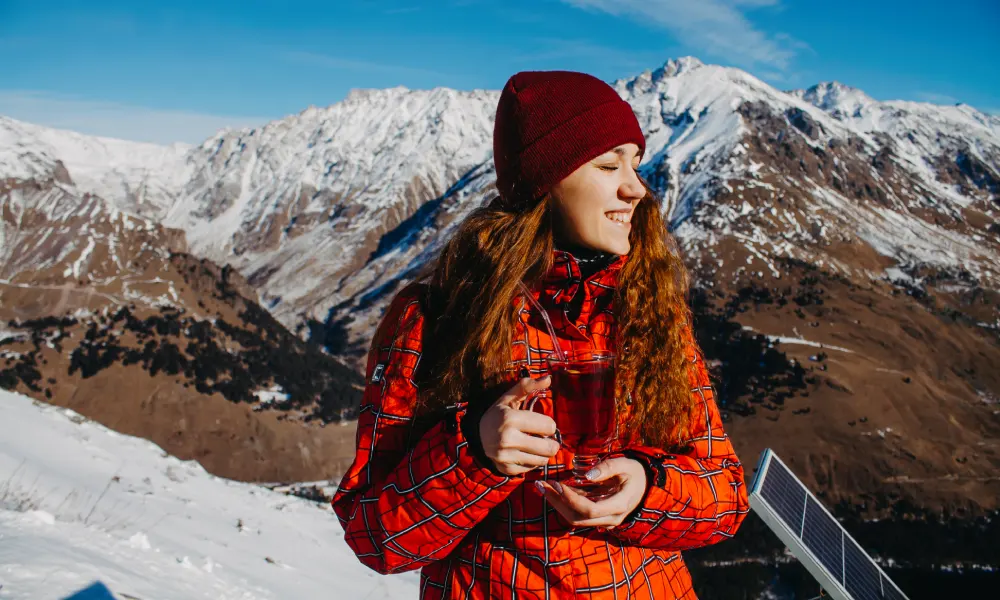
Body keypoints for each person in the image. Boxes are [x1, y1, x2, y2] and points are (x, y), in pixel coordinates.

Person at [332, 70, 749, 599]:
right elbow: (377, 540)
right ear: (544, 182)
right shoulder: (441, 319)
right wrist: (473, 452)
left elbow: (729, 497)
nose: (635, 188)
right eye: (608, 164)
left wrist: (647, 488)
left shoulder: (650, 311)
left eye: (636, 164)